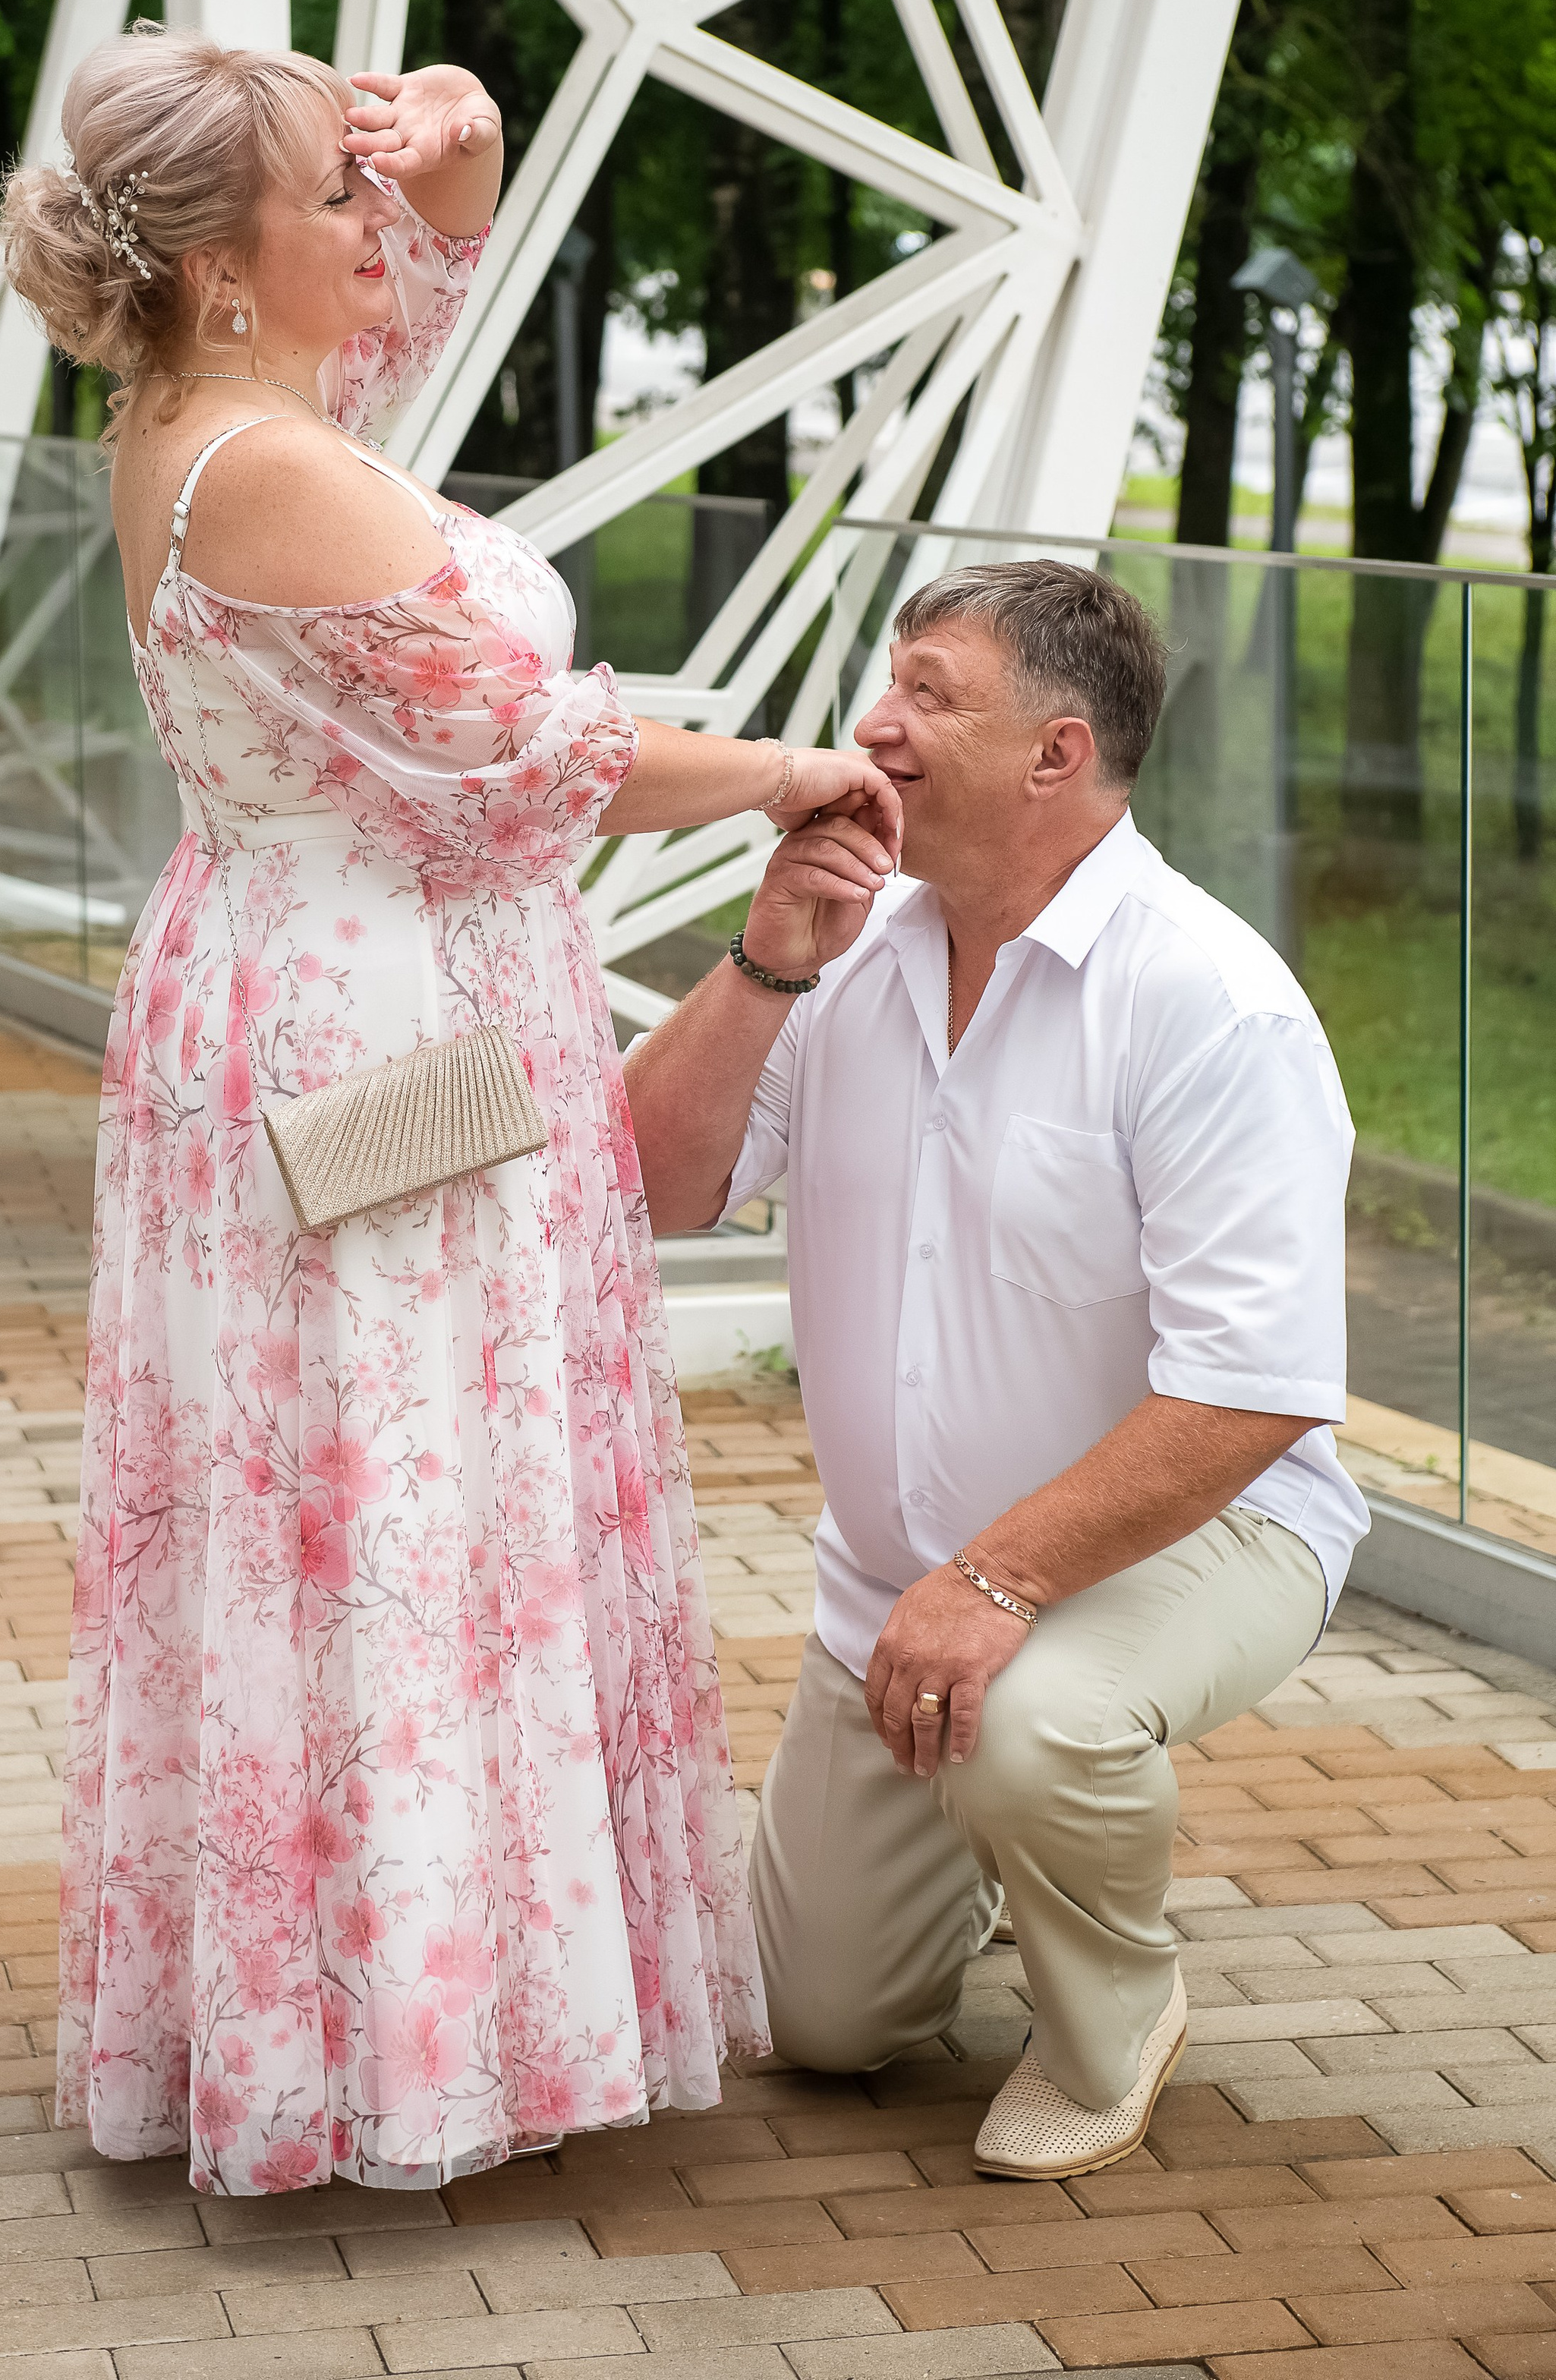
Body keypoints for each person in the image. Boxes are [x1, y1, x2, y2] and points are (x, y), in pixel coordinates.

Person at [0, 24, 902, 2196]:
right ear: (225, 267)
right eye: (330, 197)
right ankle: (396, 2041)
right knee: (389, 1509)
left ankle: (391, 2009)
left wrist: (459, 146)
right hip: (364, 1018)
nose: (372, 229)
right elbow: (539, 758)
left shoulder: (234, 411)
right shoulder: (269, 466)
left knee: (387, 1498)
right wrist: (795, 771)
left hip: (335, 977)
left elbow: (408, 298)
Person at [623, 559, 1368, 2181]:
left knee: (1035, 1733)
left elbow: (1253, 1390)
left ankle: (1111, 2011)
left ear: (1055, 751)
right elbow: (653, 1187)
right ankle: (988, 1830)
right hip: (905, 1580)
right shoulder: (851, 952)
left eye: (928, 695)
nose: (874, 729)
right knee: (818, 2025)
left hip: (1199, 1535)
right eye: (883, 685)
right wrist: (764, 957)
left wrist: (1000, 1578)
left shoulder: (1207, 1004)